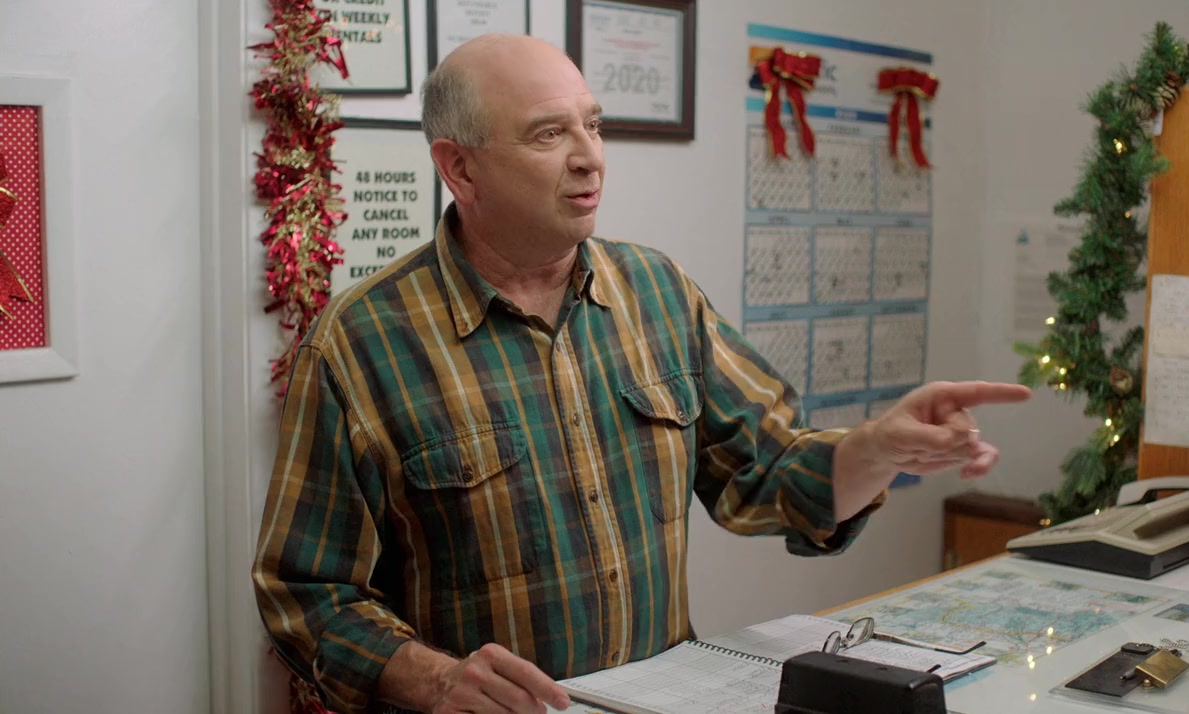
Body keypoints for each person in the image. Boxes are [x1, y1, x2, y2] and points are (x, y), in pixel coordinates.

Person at [251, 33, 1032, 714]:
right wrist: (434, 680)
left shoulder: (658, 294)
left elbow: (766, 474)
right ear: (460, 168)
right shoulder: (360, 344)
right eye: (548, 133)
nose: (589, 156)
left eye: (592, 124)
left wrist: (877, 449)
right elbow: (305, 594)